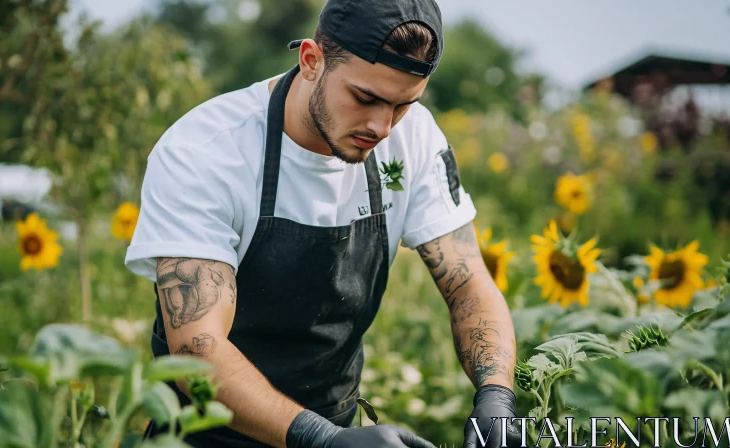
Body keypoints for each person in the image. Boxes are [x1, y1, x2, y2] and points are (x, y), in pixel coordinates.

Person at [126, 0, 522, 446]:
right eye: (364, 97)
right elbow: (196, 349)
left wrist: (496, 397)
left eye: (403, 105)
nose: (382, 127)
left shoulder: (415, 139)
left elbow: (469, 285)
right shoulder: (206, 151)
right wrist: (321, 439)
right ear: (311, 60)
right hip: (199, 434)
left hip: (339, 426)